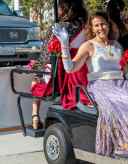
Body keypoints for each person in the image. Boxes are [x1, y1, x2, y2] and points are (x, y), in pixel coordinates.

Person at [52, 12, 128, 160]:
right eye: (97, 25)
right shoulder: (88, 46)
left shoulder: (117, 44)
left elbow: (124, 69)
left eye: (103, 24)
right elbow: (70, 68)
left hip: (121, 83)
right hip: (100, 86)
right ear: (92, 28)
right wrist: (64, 44)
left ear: (108, 25)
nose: (101, 28)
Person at [30, 0, 89, 129]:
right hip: (82, 68)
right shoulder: (86, 24)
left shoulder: (58, 27)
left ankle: (35, 115)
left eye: (59, 7)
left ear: (64, 8)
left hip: (60, 73)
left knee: (36, 77)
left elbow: (45, 53)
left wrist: (37, 72)